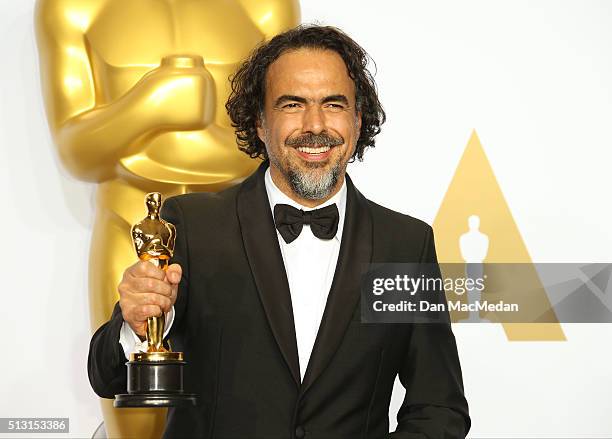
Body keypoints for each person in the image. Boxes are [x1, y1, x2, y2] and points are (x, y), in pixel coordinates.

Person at [88, 25, 471, 438]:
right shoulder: (193, 226)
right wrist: (136, 325)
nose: (315, 125)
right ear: (259, 121)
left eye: (334, 104)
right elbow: (107, 377)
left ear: (358, 120)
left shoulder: (404, 245)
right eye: (292, 104)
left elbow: (439, 406)